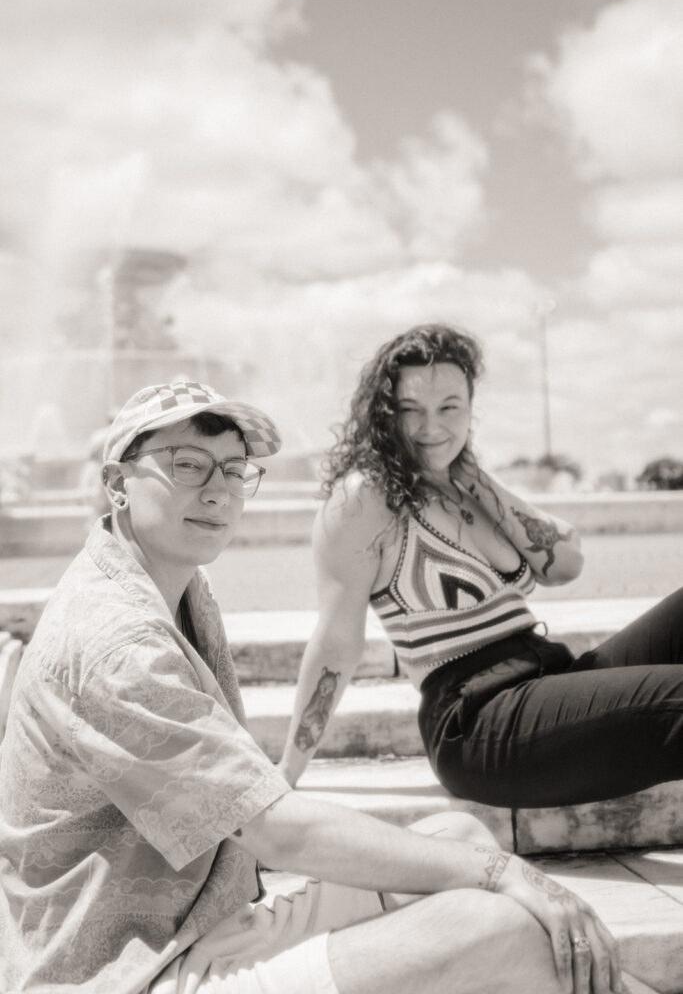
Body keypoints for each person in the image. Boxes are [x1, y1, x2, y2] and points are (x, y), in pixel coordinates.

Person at [0, 379, 625, 994]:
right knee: (497, 926)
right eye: (187, 465)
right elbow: (277, 832)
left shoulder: (169, 581)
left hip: (198, 929)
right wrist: (500, 872)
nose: (218, 491)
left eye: (234, 469)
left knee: (455, 838)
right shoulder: (116, 642)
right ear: (116, 484)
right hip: (129, 974)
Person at [279, 323, 683, 811]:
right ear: (385, 414)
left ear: (471, 409)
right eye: (411, 410)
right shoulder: (367, 498)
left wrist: (477, 478)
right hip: (478, 724)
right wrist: (288, 770)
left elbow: (566, 564)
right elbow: (337, 644)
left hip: (547, 682)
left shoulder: (470, 488)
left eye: (450, 407)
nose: (432, 428)